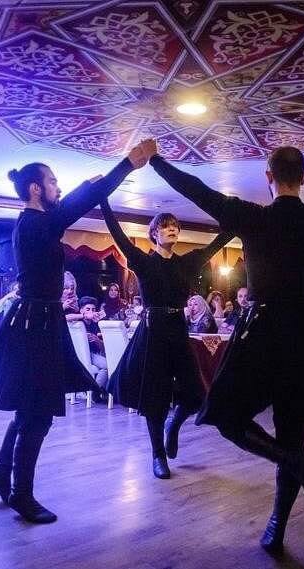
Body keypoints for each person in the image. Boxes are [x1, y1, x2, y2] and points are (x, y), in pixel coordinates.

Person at [149, 143, 304, 554]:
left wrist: (154, 161)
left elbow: (195, 189)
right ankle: (278, 520)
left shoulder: (252, 216)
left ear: (268, 177)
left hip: (260, 332)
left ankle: (291, 468)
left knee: (227, 417)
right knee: (292, 428)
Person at [0, 139, 152, 524]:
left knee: (30, 407)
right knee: (37, 412)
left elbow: (72, 202)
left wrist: (88, 186)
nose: (58, 188)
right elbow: (77, 204)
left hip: (36, 321)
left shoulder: (32, 223)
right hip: (35, 324)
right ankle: (21, 495)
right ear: (36, 189)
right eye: (53, 183)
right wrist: (126, 164)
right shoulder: (38, 222)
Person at [101, 197, 232, 479]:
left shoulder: (188, 263)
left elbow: (217, 244)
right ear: (154, 234)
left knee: (197, 394)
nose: (172, 229)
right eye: (165, 226)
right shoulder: (143, 262)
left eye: (175, 226)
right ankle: (158, 454)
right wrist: (103, 200)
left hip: (177, 328)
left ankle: (173, 425)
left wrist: (238, 221)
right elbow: (118, 235)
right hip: (153, 331)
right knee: (154, 399)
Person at [79, 295, 109, 391]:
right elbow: (65, 318)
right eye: (88, 309)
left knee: (107, 367)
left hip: (95, 354)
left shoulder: (95, 324)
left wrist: (97, 340)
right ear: (81, 311)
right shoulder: (78, 323)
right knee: (108, 366)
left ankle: (97, 392)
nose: (91, 312)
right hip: (86, 355)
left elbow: (102, 348)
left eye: (93, 309)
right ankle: (96, 392)